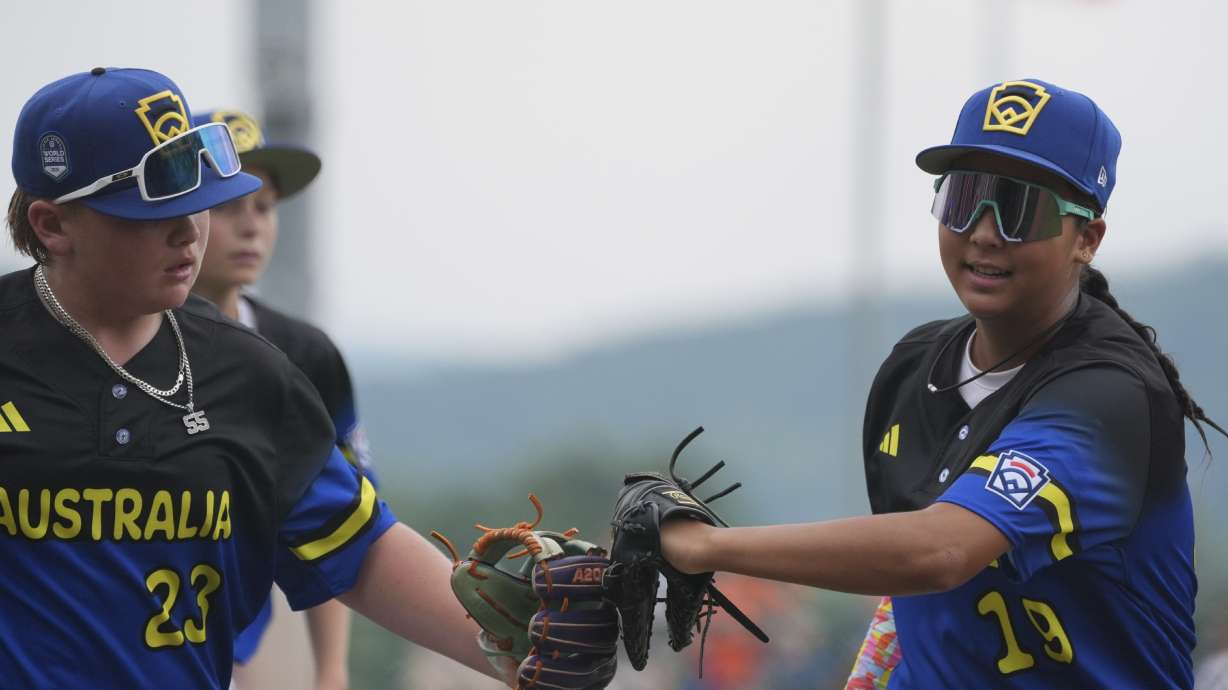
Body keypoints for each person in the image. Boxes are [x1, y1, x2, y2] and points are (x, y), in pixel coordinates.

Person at [645, 79, 1225, 688]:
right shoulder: (912, 366)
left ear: (1087, 237)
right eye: (964, 197)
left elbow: (938, 552)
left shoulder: (1107, 396)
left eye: (1018, 205)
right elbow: (907, 585)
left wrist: (702, 546)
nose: (983, 230)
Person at [0, 67, 511, 689]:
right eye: (150, 211)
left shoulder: (251, 371)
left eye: (198, 201)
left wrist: (528, 651)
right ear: (53, 225)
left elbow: (362, 549)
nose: (189, 230)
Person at [186, 108, 368, 690]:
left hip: (237, 641)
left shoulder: (304, 355)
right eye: (226, 205)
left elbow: (343, 524)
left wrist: (331, 670)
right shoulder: (120, 338)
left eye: (263, 207)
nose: (251, 226)